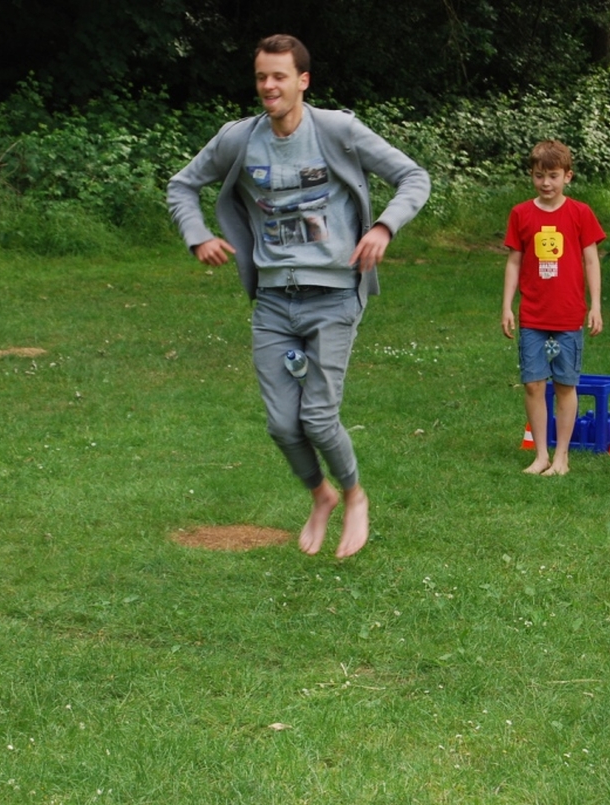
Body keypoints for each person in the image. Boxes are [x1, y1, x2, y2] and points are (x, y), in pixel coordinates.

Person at [166, 34, 430, 557]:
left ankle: (354, 496)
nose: (268, 86)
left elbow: (413, 177)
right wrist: (197, 235)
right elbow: (182, 185)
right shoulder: (238, 140)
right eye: (261, 76)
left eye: (279, 76)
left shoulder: (337, 130)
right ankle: (320, 494)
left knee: (317, 417)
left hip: (334, 295)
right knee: (282, 424)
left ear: (302, 81)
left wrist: (384, 227)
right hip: (273, 301)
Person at [501, 140, 604, 476]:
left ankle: (562, 458)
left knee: (564, 384)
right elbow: (514, 262)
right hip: (533, 314)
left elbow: (591, 261)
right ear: (532, 175)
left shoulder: (580, 213)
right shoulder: (521, 214)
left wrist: (595, 305)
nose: (546, 183)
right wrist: (507, 306)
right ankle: (541, 455)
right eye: (539, 176)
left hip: (568, 314)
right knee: (533, 383)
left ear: (567, 176)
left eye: (553, 176)